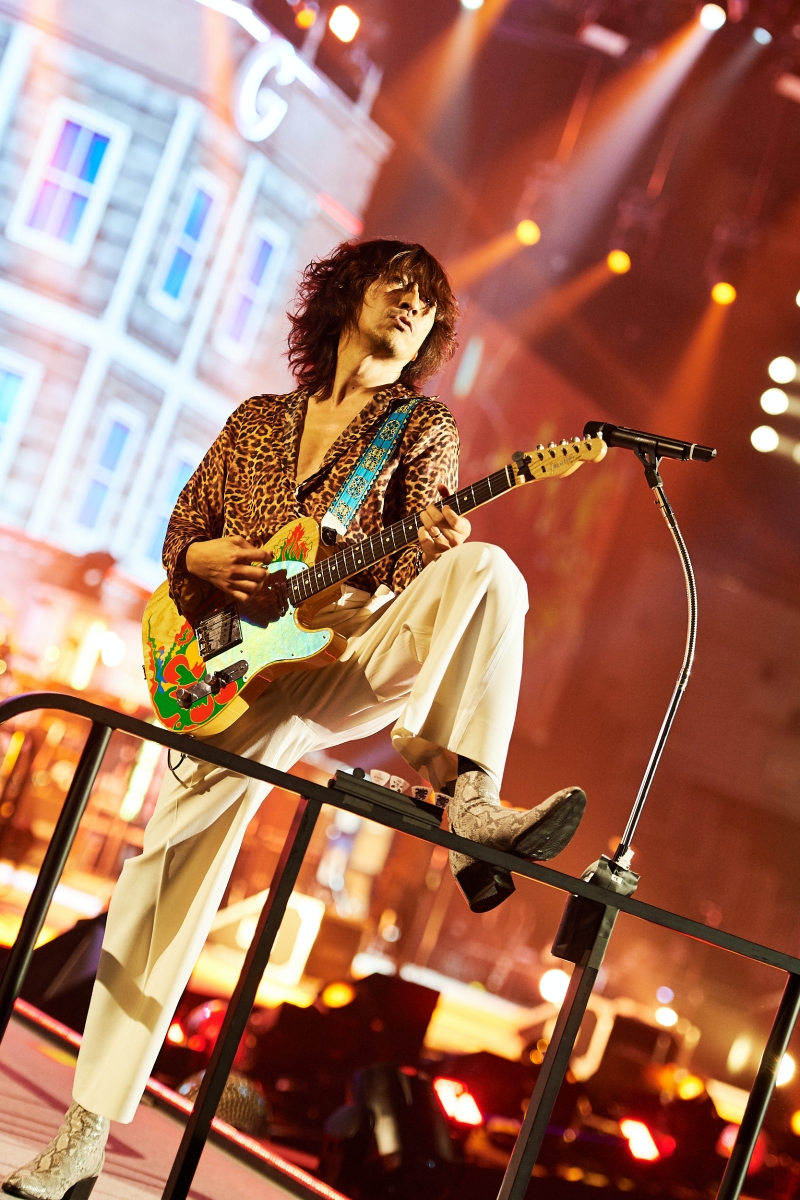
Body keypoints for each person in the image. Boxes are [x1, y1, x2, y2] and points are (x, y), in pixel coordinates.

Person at [3, 239, 586, 1200]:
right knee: (161, 882)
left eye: (429, 301)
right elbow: (181, 533)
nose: (412, 303)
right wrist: (203, 561)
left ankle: (469, 795)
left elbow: (411, 572)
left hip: (350, 653)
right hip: (233, 669)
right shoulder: (258, 421)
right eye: (398, 284)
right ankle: (83, 1137)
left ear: (431, 337)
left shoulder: (419, 427)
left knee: (486, 570)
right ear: (349, 294)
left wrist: (430, 546)